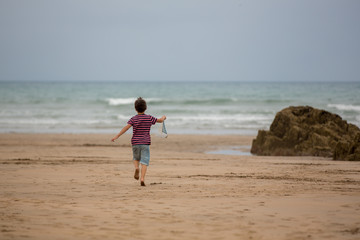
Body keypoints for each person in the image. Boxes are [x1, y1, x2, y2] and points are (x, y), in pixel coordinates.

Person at [111, 97, 166, 187]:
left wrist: (117, 136)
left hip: (135, 142)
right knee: (145, 161)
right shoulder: (149, 118)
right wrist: (163, 117)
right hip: (145, 143)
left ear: (135, 108)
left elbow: (126, 128)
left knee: (136, 158)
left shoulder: (133, 119)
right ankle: (142, 178)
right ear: (146, 108)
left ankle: (136, 168)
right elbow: (159, 120)